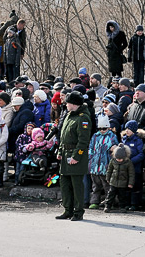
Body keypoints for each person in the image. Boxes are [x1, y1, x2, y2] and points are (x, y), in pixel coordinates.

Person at [56, 91, 91, 221]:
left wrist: (77, 156)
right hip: (65, 153)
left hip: (75, 155)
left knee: (77, 185)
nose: (66, 105)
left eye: (68, 103)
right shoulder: (69, 115)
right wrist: (60, 151)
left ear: (74, 104)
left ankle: (78, 211)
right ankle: (67, 209)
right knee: (65, 184)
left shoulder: (83, 118)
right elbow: (63, 136)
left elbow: (83, 141)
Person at [88, 114, 118, 209]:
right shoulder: (95, 136)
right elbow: (91, 148)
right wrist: (91, 159)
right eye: (100, 128)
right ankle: (94, 201)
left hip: (106, 165)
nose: (102, 130)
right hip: (95, 165)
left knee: (107, 185)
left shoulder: (112, 136)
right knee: (95, 186)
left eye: (104, 128)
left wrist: (113, 149)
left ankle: (110, 202)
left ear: (108, 128)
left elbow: (115, 148)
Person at [103, 143, 135, 212]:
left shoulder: (128, 162)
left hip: (123, 182)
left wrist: (130, 183)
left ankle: (122, 207)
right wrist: (108, 178)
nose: (119, 160)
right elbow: (109, 170)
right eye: (117, 158)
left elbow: (131, 173)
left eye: (120, 159)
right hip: (113, 181)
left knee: (122, 196)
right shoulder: (113, 161)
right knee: (110, 195)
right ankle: (107, 206)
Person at [122, 120, 145, 211]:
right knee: (127, 185)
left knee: (135, 186)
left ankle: (135, 203)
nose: (127, 131)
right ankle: (126, 203)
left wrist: (131, 161)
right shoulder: (124, 139)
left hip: (135, 168)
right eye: (126, 128)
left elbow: (141, 154)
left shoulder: (138, 140)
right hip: (125, 167)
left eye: (129, 129)